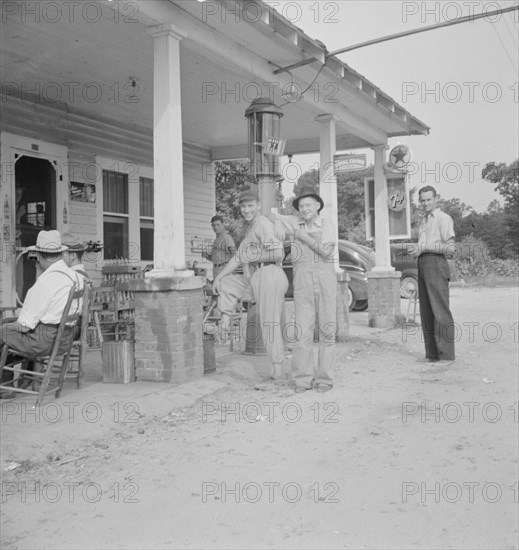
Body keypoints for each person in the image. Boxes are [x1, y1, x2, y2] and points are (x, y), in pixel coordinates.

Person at [212, 188, 288, 384]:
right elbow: (238, 257)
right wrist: (218, 277)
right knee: (229, 282)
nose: (246, 210)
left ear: (258, 206)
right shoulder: (251, 228)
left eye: (250, 206)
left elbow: (279, 254)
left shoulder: (262, 224)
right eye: (243, 207)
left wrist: (254, 256)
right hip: (257, 276)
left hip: (270, 273)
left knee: (269, 323)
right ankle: (225, 323)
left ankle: (277, 375)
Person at [270, 185, 338, 394]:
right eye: (301, 205)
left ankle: (325, 379)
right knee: (302, 332)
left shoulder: (328, 224)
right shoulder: (294, 222)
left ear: (318, 205)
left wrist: (302, 236)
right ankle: (302, 380)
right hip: (302, 283)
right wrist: (278, 226)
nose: (305, 208)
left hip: (325, 280)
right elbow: (271, 215)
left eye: (309, 204)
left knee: (327, 330)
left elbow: (326, 252)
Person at [0, 230, 80, 396]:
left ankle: (6, 386)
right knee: (8, 328)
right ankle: (25, 377)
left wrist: (8, 326)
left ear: (39, 255)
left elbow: (24, 325)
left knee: (4, 331)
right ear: (59, 253)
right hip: (64, 339)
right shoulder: (74, 276)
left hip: (44, 342)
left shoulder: (44, 284)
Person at [410, 185, 456, 365]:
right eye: (422, 200)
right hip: (423, 263)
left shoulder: (443, 218)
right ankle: (432, 354)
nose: (425, 203)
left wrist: (425, 247)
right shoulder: (423, 221)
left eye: (429, 199)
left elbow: (451, 248)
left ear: (436, 199)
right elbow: (423, 245)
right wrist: (417, 250)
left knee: (440, 310)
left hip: (437, 263)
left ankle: (446, 356)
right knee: (427, 311)